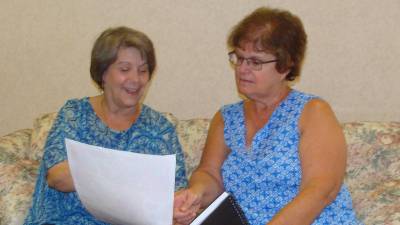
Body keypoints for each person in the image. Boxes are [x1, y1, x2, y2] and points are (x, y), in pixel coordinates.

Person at [173, 7, 362, 225]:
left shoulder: (312, 111)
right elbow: (210, 174)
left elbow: (321, 190)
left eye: (255, 62)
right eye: (239, 58)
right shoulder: (226, 117)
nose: (242, 69)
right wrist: (195, 193)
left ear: (285, 65)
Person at [24, 26, 187, 224]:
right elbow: (58, 177)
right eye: (125, 69)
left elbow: (175, 196)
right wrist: (134, 177)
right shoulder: (75, 114)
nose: (135, 79)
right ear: (103, 73)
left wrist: (178, 211)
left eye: (143, 71)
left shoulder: (160, 129)